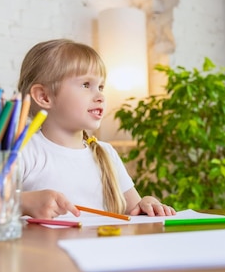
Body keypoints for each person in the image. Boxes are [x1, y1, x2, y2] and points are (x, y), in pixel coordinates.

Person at [18, 39, 176, 219]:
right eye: (86, 85)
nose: (100, 96)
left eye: (101, 86)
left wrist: (147, 203)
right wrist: (22, 202)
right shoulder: (23, 151)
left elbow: (134, 210)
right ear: (44, 96)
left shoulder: (106, 153)